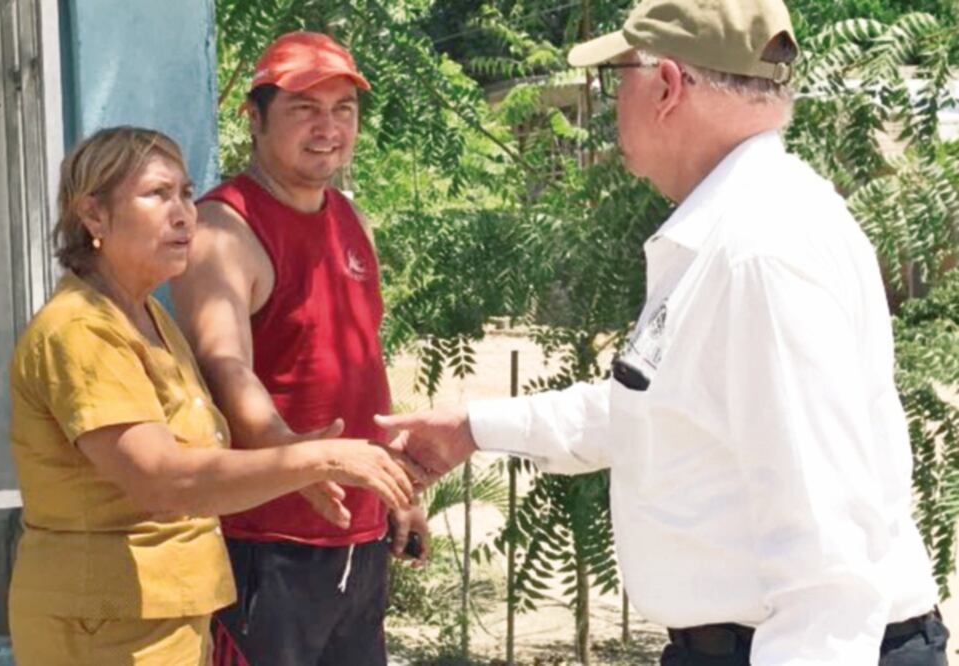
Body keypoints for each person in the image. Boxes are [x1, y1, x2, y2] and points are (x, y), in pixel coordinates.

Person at [378, 1, 950, 664]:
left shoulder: (758, 250)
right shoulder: (731, 232)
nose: (607, 105)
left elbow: (825, 544)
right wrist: (473, 427)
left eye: (613, 79)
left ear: (667, 86)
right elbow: (663, 414)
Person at [7, 126, 419, 666]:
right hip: (102, 629)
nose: (183, 213)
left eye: (185, 192)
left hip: (165, 619)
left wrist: (306, 466)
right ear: (94, 215)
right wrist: (312, 456)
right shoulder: (81, 332)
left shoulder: (145, 315)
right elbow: (163, 477)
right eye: (157, 195)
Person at [170, 32, 428, 666]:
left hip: (356, 534)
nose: (328, 127)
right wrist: (296, 456)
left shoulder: (350, 217)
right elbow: (223, 366)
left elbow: (362, 362)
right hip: (267, 537)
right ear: (254, 119)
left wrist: (398, 488)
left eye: (343, 109)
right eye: (303, 109)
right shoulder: (223, 228)